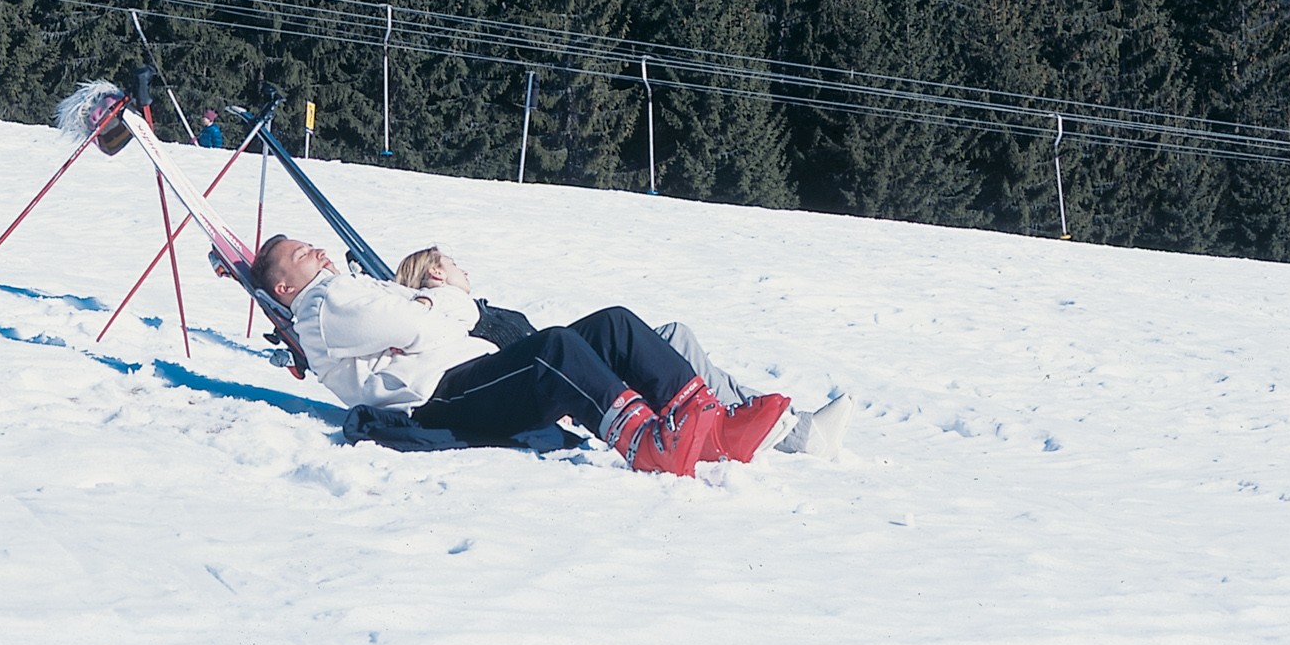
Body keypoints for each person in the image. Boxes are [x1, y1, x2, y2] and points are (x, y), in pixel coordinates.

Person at [254, 233, 788, 477]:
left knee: (613, 324)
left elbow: (425, 320)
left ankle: (708, 423)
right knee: (554, 349)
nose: (319, 251)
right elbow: (423, 322)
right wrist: (445, 308)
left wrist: (434, 312)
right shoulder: (324, 303)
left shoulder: (346, 290)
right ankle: (651, 445)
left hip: (468, 371)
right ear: (283, 287)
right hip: (444, 394)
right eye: (303, 254)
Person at [394, 245, 848, 459]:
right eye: (454, 263)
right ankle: (795, 434)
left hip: (560, 364)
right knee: (647, 336)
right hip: (552, 381)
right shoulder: (445, 314)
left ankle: (748, 420)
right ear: (436, 272)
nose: (464, 267)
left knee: (673, 334)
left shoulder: (481, 308)